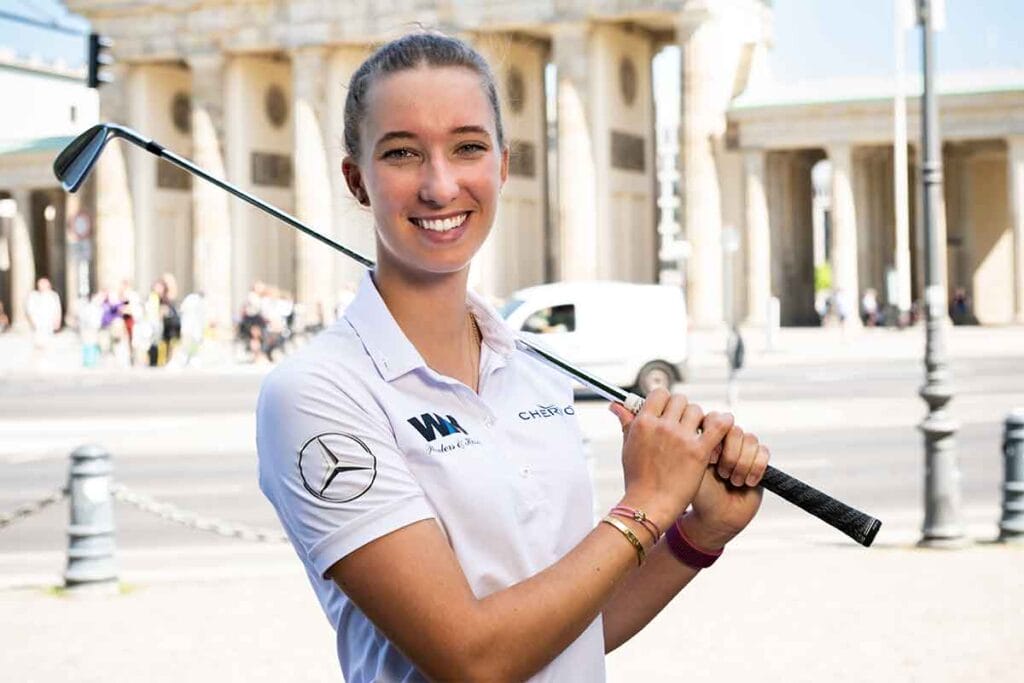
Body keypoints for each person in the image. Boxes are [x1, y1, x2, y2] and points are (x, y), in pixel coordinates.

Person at [256, 32, 771, 682]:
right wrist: (648, 501)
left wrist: (698, 533)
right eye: (403, 153)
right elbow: (473, 656)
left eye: (467, 147)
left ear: (503, 164)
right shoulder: (314, 392)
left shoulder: (537, 369)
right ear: (356, 180)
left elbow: (570, 625)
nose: (440, 185)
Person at [26, 277, 62, 350]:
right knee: (38, 345)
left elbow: (57, 309)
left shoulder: (53, 295)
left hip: (49, 324)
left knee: (48, 345)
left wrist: (57, 321)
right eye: (40, 284)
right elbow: (29, 310)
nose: (42, 286)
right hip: (38, 324)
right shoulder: (33, 295)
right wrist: (32, 322)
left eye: (44, 284)